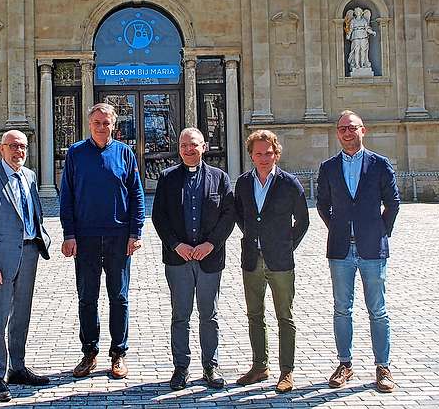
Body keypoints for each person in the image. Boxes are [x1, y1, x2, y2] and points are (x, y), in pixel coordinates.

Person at [316, 110, 401, 394]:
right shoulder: (328, 167)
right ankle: (345, 363)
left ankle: (383, 367)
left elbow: (393, 203)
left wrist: (380, 230)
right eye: (342, 129)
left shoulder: (379, 164)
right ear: (337, 133)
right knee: (342, 309)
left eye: (352, 128)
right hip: (340, 249)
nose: (347, 133)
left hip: (372, 249)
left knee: (378, 310)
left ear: (363, 130)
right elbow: (322, 204)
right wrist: (338, 227)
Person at [60, 103, 146, 380]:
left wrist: (136, 233)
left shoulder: (125, 153)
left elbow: (137, 195)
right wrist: (68, 234)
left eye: (106, 123)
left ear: (114, 125)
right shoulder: (76, 153)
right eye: (96, 122)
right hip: (85, 237)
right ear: (89, 124)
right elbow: (67, 197)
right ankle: (89, 352)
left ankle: (118, 353)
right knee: (87, 297)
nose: (101, 127)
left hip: (118, 237)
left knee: (118, 297)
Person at [151, 128, 235, 390]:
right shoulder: (167, 178)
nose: (189, 149)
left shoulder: (220, 178)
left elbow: (229, 215)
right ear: (179, 148)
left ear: (204, 147)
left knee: (209, 315)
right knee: (181, 315)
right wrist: (176, 245)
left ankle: (211, 365)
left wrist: (211, 244)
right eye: (184, 145)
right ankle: (181, 367)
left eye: (194, 145)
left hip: (210, 258)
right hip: (178, 259)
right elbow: (159, 217)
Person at [0, 130, 53, 402]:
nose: (19, 151)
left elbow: (34, 214)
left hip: (29, 253)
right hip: (1, 261)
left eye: (23, 147)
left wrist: (42, 238)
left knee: (22, 315)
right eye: (13, 146)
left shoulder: (30, 176)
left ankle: (17, 367)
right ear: (1, 149)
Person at [233, 130, 309, 393]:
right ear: (251, 156)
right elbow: (239, 215)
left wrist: (286, 246)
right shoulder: (243, 183)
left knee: (284, 317)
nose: (263, 158)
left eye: (268, 153)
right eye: (258, 154)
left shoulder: (289, 183)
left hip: (280, 262)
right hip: (252, 259)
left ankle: (286, 371)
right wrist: (252, 237)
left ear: (276, 154)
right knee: (255, 315)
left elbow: (303, 221)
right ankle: (259, 366)